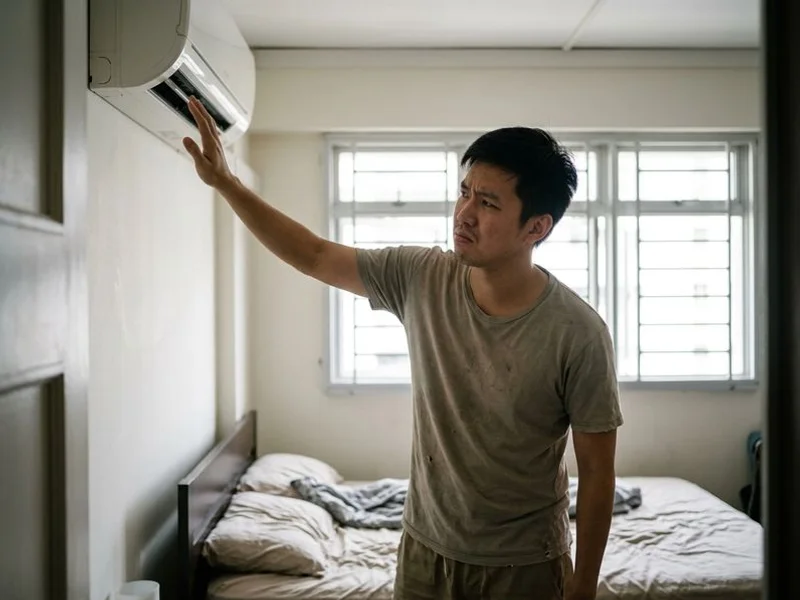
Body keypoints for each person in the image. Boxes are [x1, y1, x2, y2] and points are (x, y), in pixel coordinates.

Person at [183, 96, 623, 600]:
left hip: (524, 565)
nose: (464, 213)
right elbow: (312, 254)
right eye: (464, 193)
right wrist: (227, 183)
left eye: (488, 203)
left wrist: (583, 586)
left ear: (536, 228)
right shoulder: (422, 277)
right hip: (424, 553)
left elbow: (597, 473)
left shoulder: (578, 332)